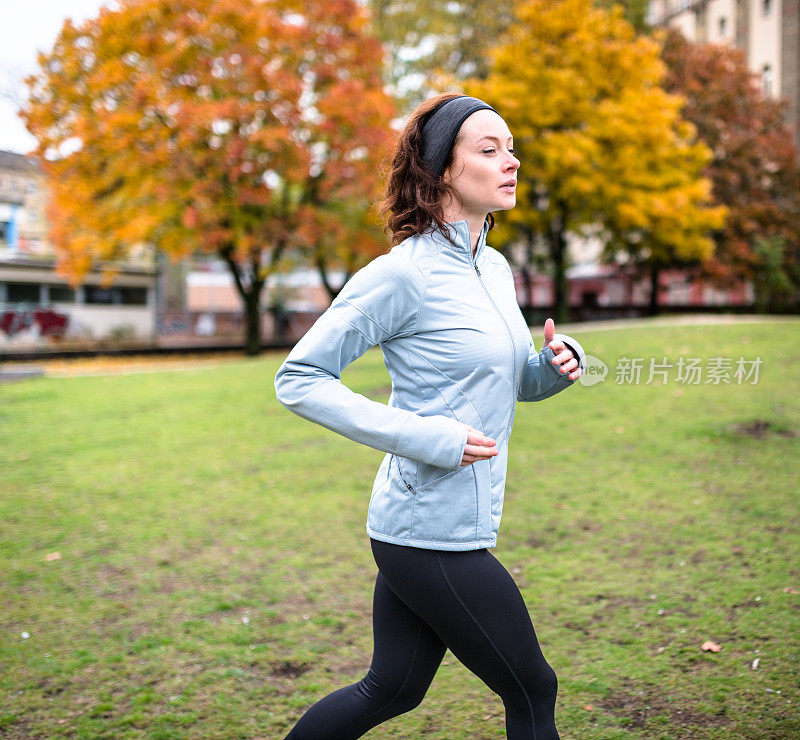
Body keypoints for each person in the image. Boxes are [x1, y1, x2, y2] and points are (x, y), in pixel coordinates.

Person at [273, 92, 587, 739]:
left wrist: (553, 368)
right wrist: (427, 436)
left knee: (390, 688)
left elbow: (513, 382)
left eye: (512, 148)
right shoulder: (403, 275)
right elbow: (298, 378)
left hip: (443, 523)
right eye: (490, 149)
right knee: (533, 690)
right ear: (445, 168)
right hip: (426, 531)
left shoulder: (495, 268)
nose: (513, 162)